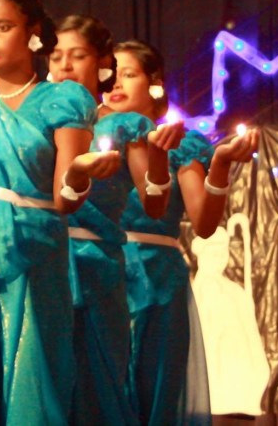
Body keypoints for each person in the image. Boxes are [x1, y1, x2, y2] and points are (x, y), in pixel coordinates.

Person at [0, 0, 112, 425]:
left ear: (32, 34)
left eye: (3, 27)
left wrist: (81, 173)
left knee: (35, 375)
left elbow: (66, 199)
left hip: (36, 249)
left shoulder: (63, 99)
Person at [107, 40, 258, 425]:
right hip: (102, 272)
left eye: (129, 74)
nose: (116, 84)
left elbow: (204, 224)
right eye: (111, 74)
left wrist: (220, 164)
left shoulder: (179, 144)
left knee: (156, 391)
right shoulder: (93, 141)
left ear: (154, 84)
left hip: (158, 277)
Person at [49, 16, 183, 424]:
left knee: (98, 382)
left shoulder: (126, 124)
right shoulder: (40, 115)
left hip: (96, 263)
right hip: (45, 258)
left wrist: (159, 156)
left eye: (77, 56)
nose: (65, 66)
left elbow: (154, 203)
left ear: (99, 63)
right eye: (56, 57)